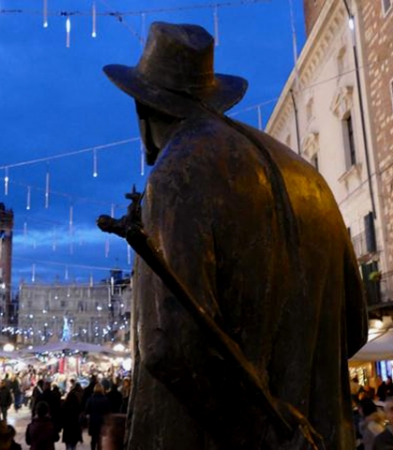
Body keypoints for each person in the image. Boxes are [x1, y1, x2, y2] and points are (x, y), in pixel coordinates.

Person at [100, 22, 367, 450]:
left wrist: (266, 433)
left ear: (143, 111)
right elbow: (353, 328)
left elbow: (169, 345)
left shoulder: (178, 171)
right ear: (211, 99)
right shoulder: (311, 180)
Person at [85, 384, 110, 450]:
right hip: (101, 420)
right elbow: (107, 410)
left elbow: (87, 409)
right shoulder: (105, 399)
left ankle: (93, 448)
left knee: (93, 438)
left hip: (93, 419)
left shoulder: (91, 398)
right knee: (100, 438)